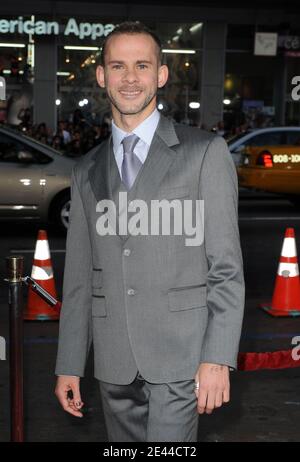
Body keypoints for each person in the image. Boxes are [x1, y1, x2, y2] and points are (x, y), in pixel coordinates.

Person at [55, 21, 245, 443]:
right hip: (113, 357)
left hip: (181, 354)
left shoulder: (203, 153)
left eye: (142, 66)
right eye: (118, 66)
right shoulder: (86, 168)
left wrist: (217, 358)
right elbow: (80, 279)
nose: (129, 78)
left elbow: (226, 268)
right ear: (102, 76)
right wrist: (69, 362)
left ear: (161, 75)